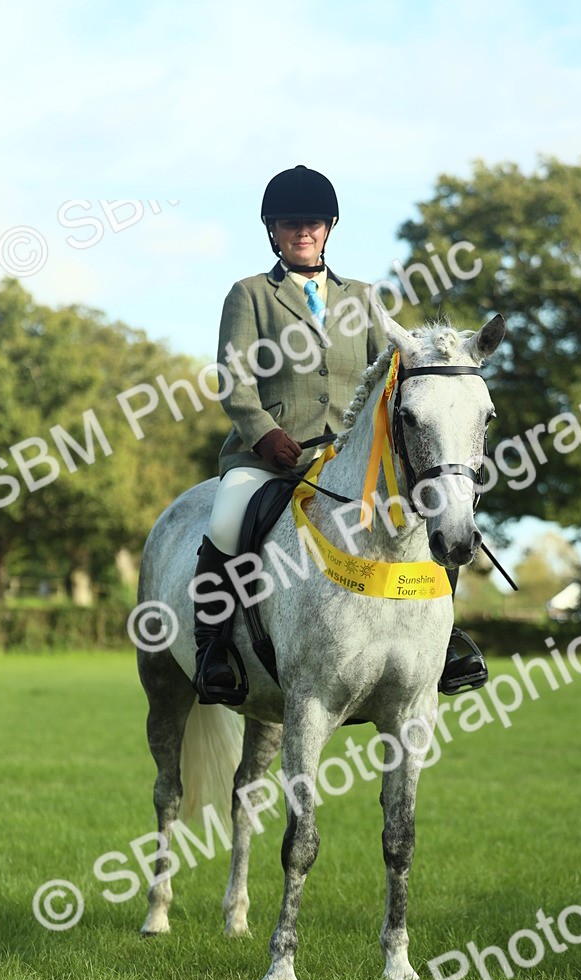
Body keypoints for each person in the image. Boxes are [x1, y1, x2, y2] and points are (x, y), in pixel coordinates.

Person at [191, 164, 487, 705]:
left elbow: (394, 374)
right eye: (289, 223)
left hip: (354, 459)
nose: (302, 231)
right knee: (226, 521)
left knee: (438, 514)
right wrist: (263, 435)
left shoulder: (363, 298)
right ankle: (213, 650)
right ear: (273, 231)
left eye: (312, 222)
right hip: (271, 458)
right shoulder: (250, 295)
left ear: (328, 228)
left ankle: (443, 644)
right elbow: (234, 382)